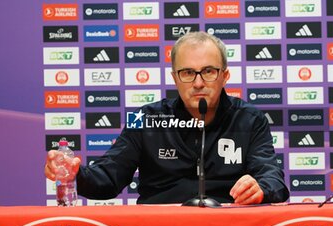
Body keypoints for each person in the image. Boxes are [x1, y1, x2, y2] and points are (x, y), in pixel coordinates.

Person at [45, 31, 289, 205]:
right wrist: (75, 174)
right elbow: (108, 178)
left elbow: (273, 179)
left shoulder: (249, 119)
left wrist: (261, 189)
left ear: (224, 76)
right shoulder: (146, 118)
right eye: (187, 73)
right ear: (174, 78)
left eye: (208, 71)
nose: (198, 83)